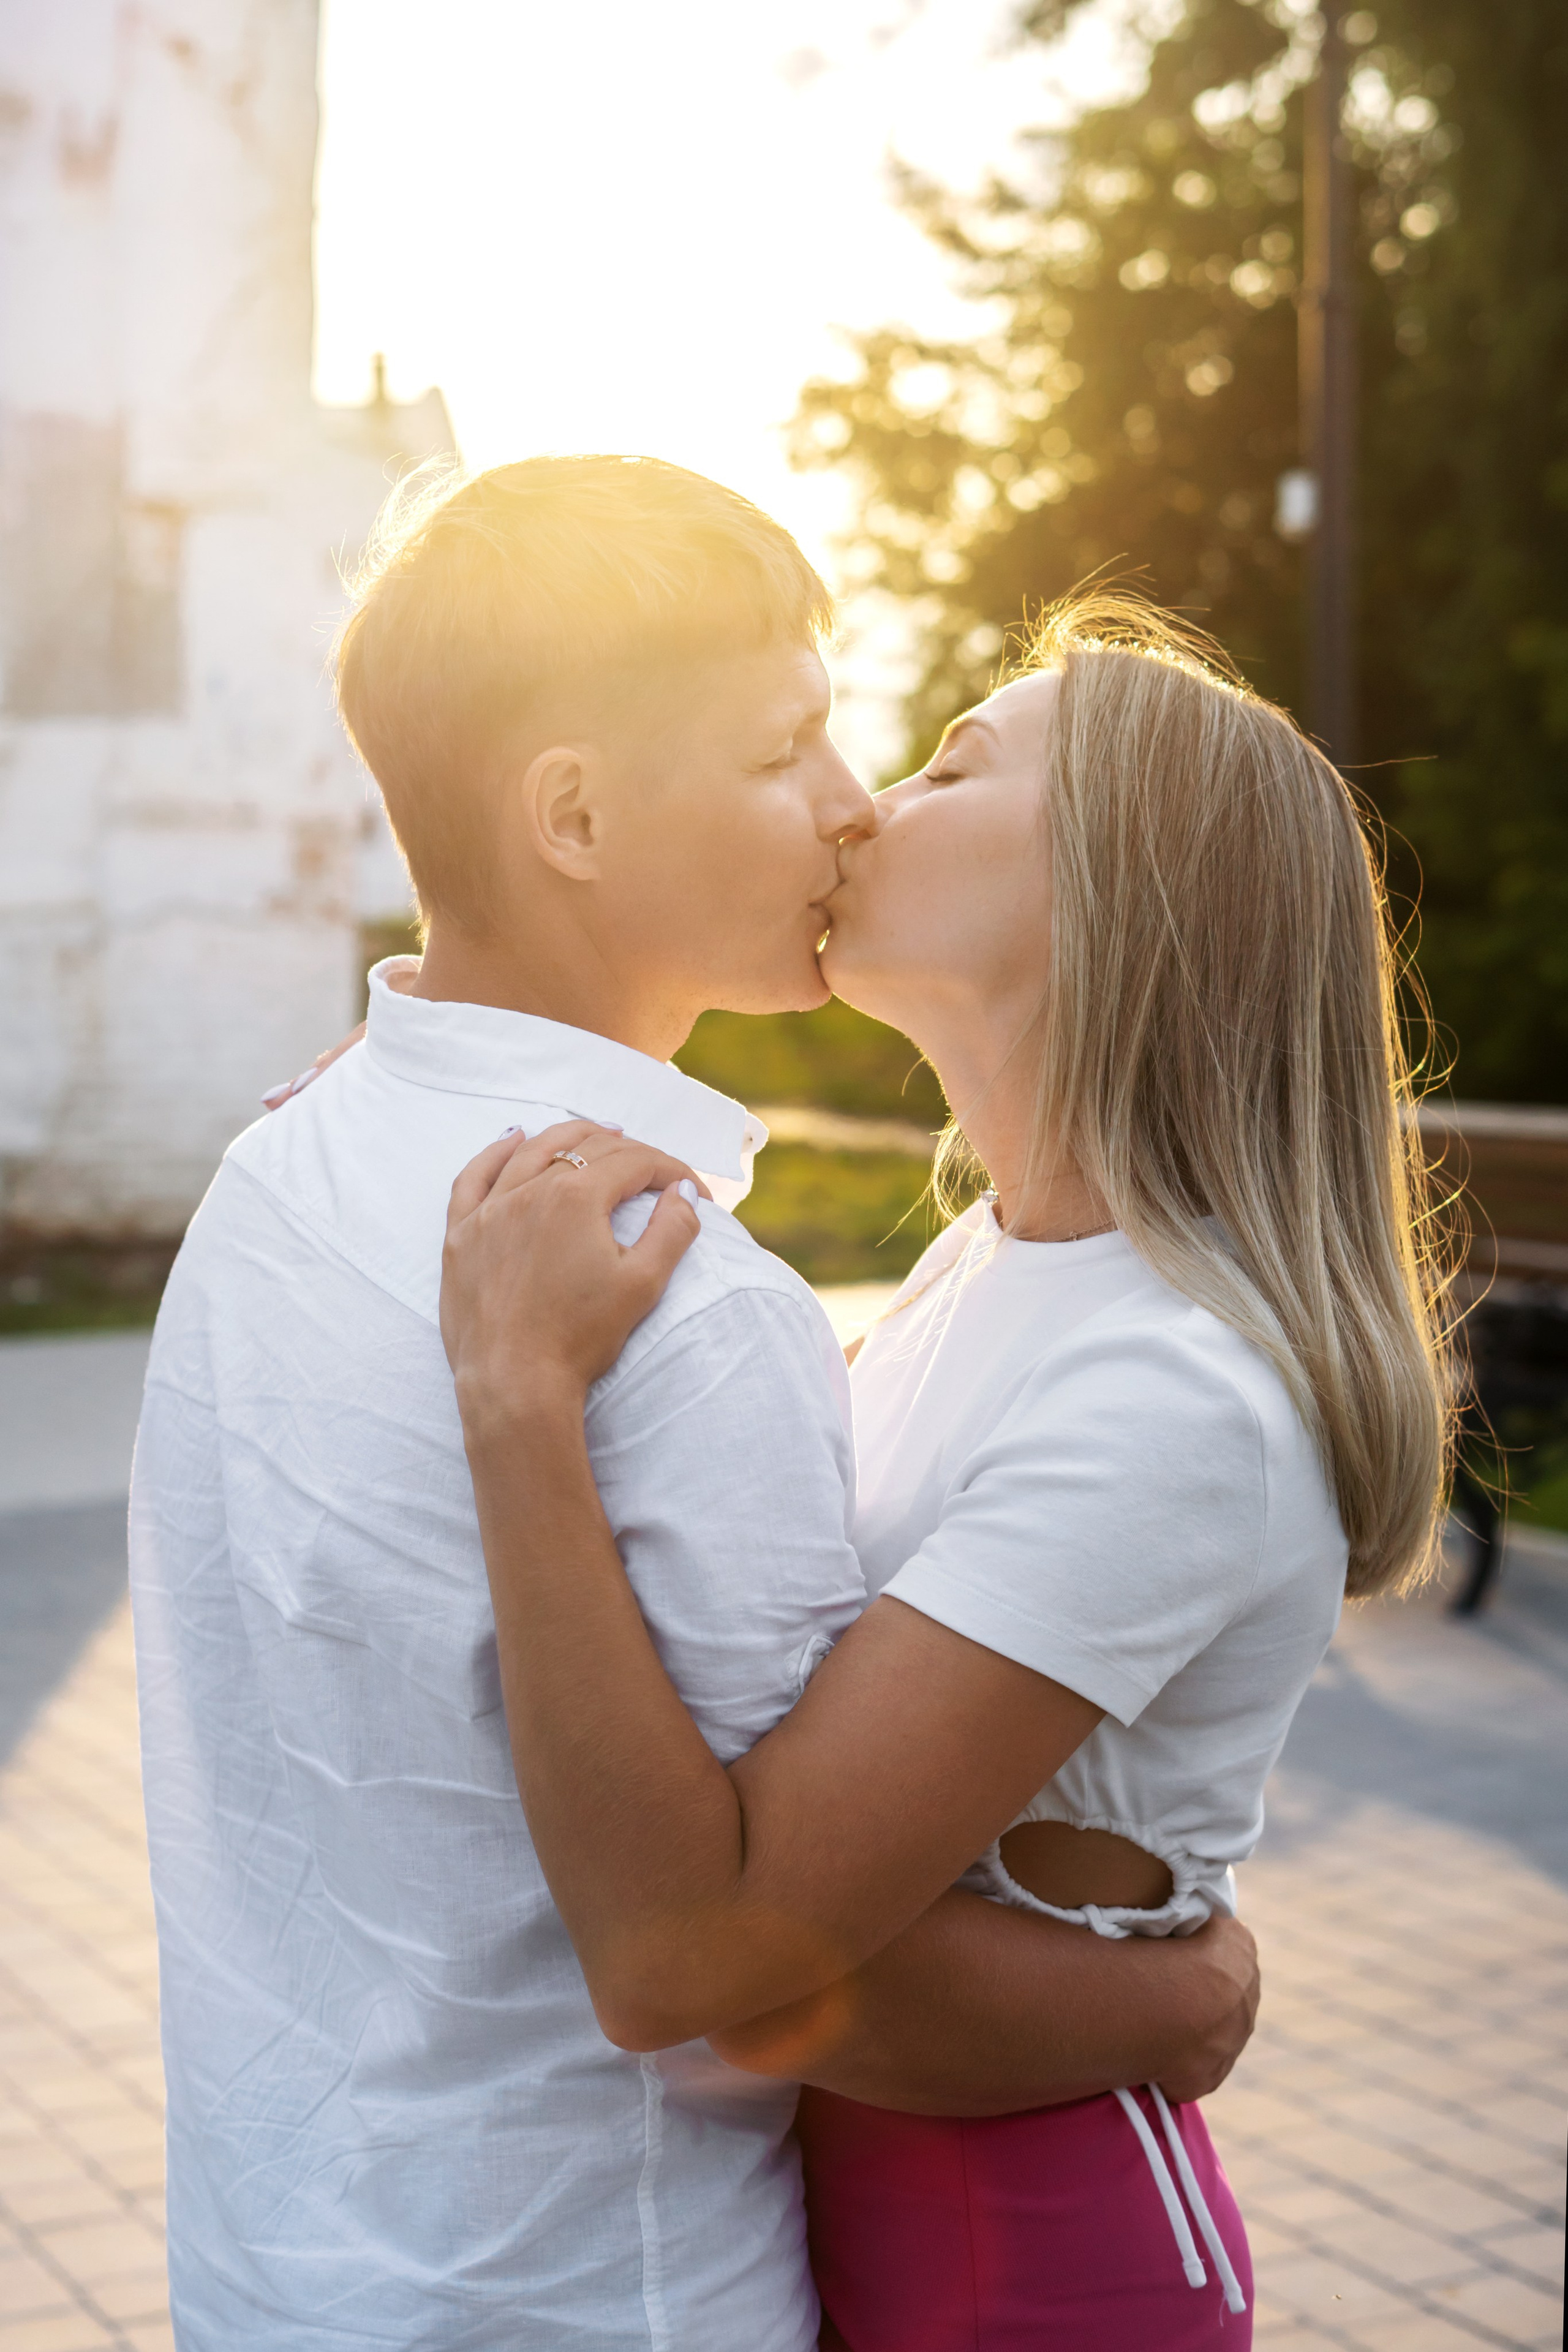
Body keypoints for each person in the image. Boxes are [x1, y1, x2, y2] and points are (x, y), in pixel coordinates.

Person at [129, 462, 1257, 2351]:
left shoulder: (272, 1177)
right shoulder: (681, 1301)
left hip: (273, 2269)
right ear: (572, 815)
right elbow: (767, 1959)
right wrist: (1187, 1998)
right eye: (782, 747)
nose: (851, 801)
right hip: (592, 2287)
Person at [433, 590, 1453, 2349]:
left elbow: (710, 1962)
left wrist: (520, 1401)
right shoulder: (988, 1263)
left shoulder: (1177, 1393)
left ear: (1117, 887)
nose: (855, 805)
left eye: (944, 765)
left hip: (1030, 2260)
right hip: (861, 2212)